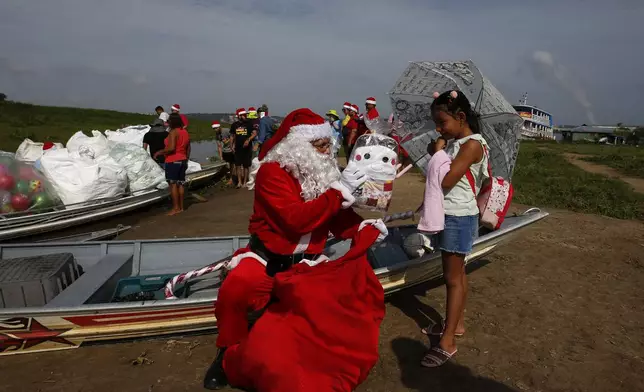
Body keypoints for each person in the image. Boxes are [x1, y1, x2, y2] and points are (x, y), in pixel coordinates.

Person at [203, 108, 385, 390]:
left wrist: (362, 228)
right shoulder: (271, 174)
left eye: (328, 144)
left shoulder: (323, 173)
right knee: (234, 290)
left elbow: (336, 216)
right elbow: (295, 220)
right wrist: (337, 194)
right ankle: (227, 350)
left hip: (308, 263)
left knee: (341, 305)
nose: (327, 151)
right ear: (297, 147)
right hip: (267, 259)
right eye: (320, 145)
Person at [420, 90, 489, 368]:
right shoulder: (456, 143)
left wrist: (438, 154)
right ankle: (456, 324)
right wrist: (438, 149)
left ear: (461, 117)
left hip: (458, 217)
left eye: (442, 122)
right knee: (458, 274)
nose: (438, 128)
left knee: (452, 279)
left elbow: (446, 180)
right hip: (453, 214)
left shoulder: (471, 145)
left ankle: (447, 340)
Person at [154, 113, 191, 216]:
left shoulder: (173, 132)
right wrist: (186, 159)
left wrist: (159, 152)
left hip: (173, 160)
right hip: (183, 160)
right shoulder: (185, 132)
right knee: (180, 183)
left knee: (173, 184)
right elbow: (188, 148)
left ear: (172, 122)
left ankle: (175, 208)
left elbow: (171, 148)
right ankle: (181, 207)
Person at [231, 108, 256, 188]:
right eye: (243, 115)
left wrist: (248, 140)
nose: (245, 116)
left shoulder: (249, 124)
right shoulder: (234, 125)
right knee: (238, 165)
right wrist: (232, 145)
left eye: (245, 115)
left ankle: (245, 181)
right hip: (238, 148)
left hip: (247, 148)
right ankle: (239, 182)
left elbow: (254, 133)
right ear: (239, 116)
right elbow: (232, 136)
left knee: (246, 165)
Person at [215, 121, 235, 185]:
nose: (215, 130)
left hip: (231, 150)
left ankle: (231, 178)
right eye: (214, 128)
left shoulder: (226, 130)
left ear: (219, 126)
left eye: (216, 128)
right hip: (224, 150)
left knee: (232, 164)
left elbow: (234, 137)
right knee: (225, 164)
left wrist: (228, 141)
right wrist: (220, 156)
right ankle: (226, 176)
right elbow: (219, 146)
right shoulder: (217, 135)